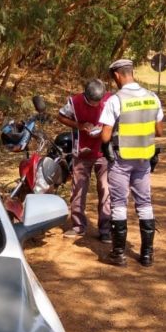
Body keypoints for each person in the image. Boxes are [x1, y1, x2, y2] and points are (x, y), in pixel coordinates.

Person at [99, 58, 163, 267]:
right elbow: (159, 131)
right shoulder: (152, 97)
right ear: (131, 72)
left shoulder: (116, 100)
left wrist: (109, 145)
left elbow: (105, 135)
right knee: (144, 203)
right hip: (144, 160)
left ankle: (118, 254)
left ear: (117, 75)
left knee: (118, 204)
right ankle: (146, 255)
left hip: (121, 159)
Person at [57, 79, 112, 242]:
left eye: (98, 101)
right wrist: (79, 126)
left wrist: (106, 129)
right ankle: (78, 226)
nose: (96, 105)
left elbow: (117, 120)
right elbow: (60, 116)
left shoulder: (110, 100)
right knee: (78, 189)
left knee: (106, 189)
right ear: (85, 95)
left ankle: (105, 230)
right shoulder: (74, 102)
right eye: (92, 102)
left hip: (103, 152)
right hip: (81, 151)